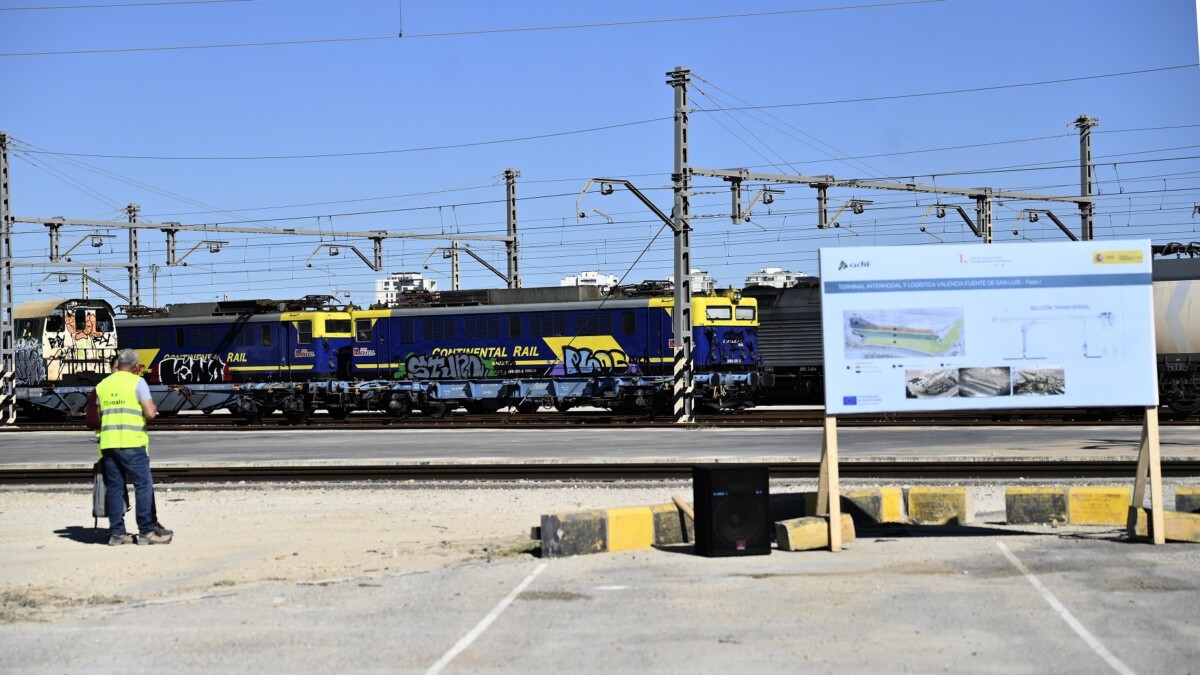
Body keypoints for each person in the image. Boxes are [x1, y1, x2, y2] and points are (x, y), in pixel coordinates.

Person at [96, 348, 173, 546]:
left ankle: (117, 534)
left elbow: (98, 416)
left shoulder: (103, 385)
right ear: (136, 367)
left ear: (118, 363)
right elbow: (149, 413)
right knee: (143, 485)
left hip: (109, 444)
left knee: (114, 487)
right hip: (132, 443)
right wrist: (153, 409)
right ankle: (146, 531)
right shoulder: (138, 382)